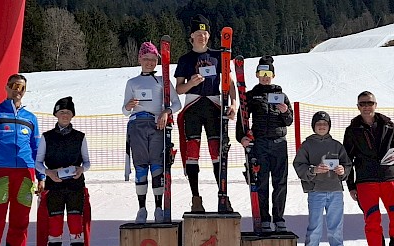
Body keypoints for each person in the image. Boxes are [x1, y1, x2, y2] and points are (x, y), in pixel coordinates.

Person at [174, 14, 237, 212]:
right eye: (198, 33)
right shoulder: (185, 59)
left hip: (213, 106)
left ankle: (223, 196)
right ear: (191, 36)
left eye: (205, 33)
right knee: (192, 153)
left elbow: (231, 82)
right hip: (193, 106)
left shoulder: (218, 56)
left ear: (209, 36)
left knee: (217, 152)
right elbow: (178, 88)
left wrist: (234, 104)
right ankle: (195, 198)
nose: (202, 36)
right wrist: (191, 83)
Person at [123, 41, 181, 224]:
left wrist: (166, 112)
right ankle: (141, 209)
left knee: (157, 166)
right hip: (137, 125)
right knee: (141, 167)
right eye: (146, 59)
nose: (149, 62)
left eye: (153, 59)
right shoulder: (132, 82)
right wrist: (128, 106)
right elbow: (125, 111)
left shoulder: (163, 81)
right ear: (140, 59)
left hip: (157, 126)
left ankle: (158, 208)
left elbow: (176, 103)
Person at [0, 74, 45, 246]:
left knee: (20, 222)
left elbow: (36, 149)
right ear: (6, 88)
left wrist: (41, 176)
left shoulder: (30, 118)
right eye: (14, 86)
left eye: (22, 88)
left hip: (25, 175)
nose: (18, 90)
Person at [35, 96, 91, 246]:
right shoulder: (47, 136)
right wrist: (48, 173)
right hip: (55, 187)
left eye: (68, 112)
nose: (65, 115)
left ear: (72, 115)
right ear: (56, 115)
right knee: (55, 226)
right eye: (61, 112)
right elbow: (38, 162)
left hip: (75, 186)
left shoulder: (80, 136)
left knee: (76, 225)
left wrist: (81, 169)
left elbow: (87, 162)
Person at [293, 111, 354, 246]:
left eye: (325, 124)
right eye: (319, 123)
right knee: (314, 230)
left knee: (336, 230)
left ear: (329, 126)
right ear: (313, 126)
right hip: (316, 192)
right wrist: (313, 170)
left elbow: (347, 165)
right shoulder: (307, 145)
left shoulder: (336, 145)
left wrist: (343, 171)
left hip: (335, 192)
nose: (322, 126)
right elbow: (298, 165)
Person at [236, 55, 293, 232]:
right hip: (260, 144)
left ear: (273, 75)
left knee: (280, 182)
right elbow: (242, 118)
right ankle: (265, 219)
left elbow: (289, 121)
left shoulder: (281, 95)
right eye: (262, 73)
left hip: (279, 143)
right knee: (261, 182)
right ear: (257, 75)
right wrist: (242, 137)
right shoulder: (252, 95)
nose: (265, 76)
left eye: (268, 73)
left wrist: (285, 112)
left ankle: (279, 218)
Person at [343, 91, 394, 246]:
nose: (366, 106)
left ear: (375, 104)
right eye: (362, 103)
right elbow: (347, 159)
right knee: (372, 221)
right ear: (358, 107)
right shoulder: (352, 130)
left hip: (390, 179)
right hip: (366, 181)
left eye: (369, 103)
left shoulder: (389, 125)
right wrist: (351, 185)